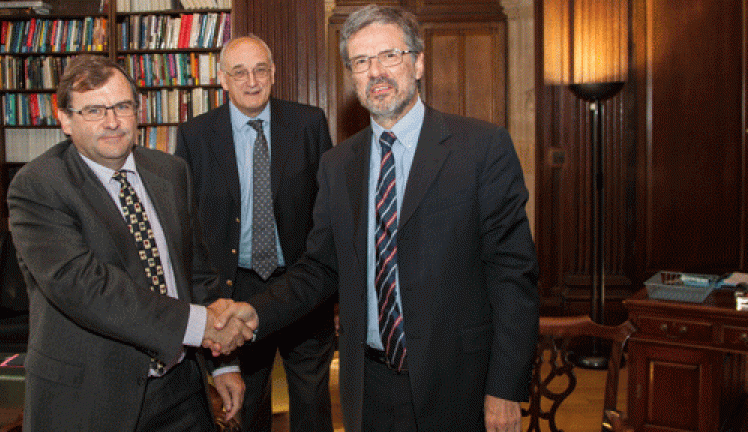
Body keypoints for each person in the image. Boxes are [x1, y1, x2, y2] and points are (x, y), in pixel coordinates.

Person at [214, 5, 539, 432]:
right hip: (367, 384)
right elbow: (319, 268)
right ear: (351, 75)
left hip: (459, 384)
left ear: (418, 62)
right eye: (361, 61)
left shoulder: (481, 149)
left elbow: (513, 276)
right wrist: (254, 313)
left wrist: (505, 387)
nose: (376, 72)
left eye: (390, 55)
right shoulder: (338, 164)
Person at [7, 54, 252, 432]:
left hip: (181, 390)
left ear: (138, 111)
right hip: (93, 399)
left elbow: (199, 274)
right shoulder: (39, 186)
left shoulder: (169, 171)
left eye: (122, 106)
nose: (112, 121)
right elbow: (86, 288)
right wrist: (200, 325)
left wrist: (224, 362)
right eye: (93, 110)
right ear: (65, 120)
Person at [175, 35, 336, 432]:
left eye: (260, 69)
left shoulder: (309, 123)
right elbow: (187, 223)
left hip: (301, 285)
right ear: (223, 80)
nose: (252, 81)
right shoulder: (196, 135)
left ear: (274, 74)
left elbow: (327, 209)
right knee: (247, 402)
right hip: (236, 290)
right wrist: (207, 297)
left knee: (312, 401)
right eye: (240, 72)